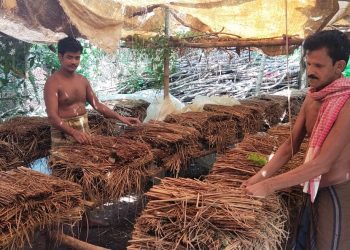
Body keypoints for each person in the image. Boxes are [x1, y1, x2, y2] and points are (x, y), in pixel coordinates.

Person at [242, 30, 350, 249]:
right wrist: (257, 178)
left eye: (318, 66)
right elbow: (290, 145)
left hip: (336, 191)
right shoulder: (312, 97)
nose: (310, 71)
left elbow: (323, 163)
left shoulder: (347, 103)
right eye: (308, 63)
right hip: (311, 188)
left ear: (339, 66)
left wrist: (269, 185)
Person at [44, 36, 140, 146]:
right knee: (63, 163)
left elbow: (97, 105)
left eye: (77, 58)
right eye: (69, 57)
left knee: (85, 162)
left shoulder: (82, 80)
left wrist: (122, 118)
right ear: (60, 57)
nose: (74, 62)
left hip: (84, 130)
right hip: (63, 135)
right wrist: (73, 132)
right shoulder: (52, 83)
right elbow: (52, 117)